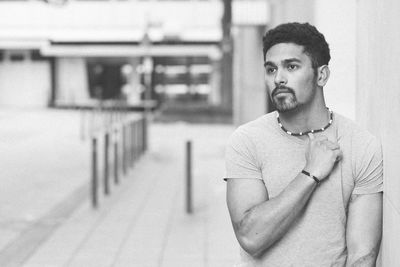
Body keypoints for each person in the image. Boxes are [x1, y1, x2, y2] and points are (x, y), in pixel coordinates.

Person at [224, 22, 383, 266]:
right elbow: (250, 237)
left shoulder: (360, 145)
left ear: (321, 75)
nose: (279, 78)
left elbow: (362, 255)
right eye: (270, 69)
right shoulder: (246, 141)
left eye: (291, 66)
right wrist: (310, 174)